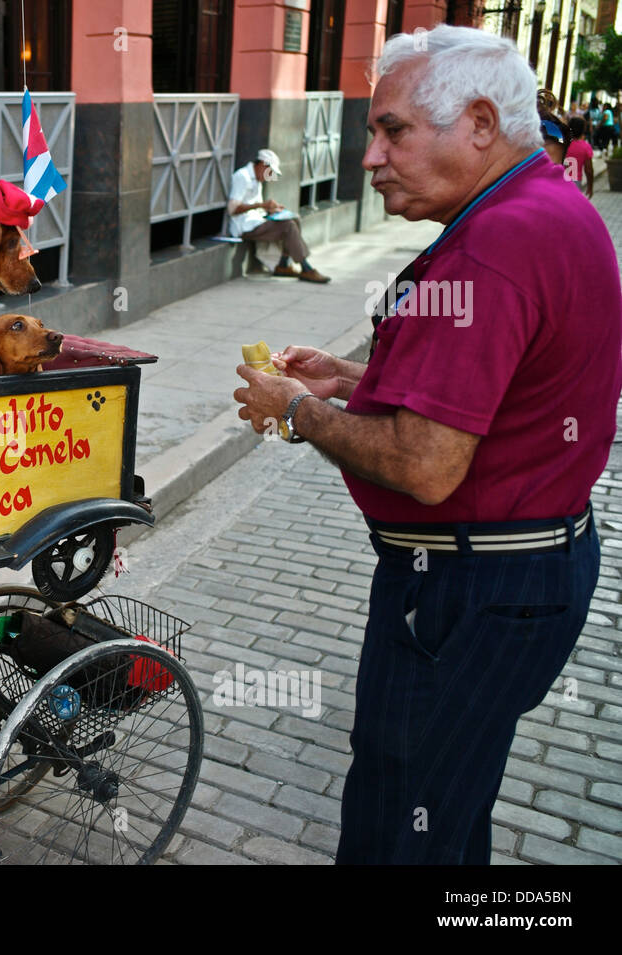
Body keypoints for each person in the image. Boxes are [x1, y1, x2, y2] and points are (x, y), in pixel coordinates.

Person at [233, 24, 622, 864]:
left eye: (393, 130)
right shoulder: (545, 205)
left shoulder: (500, 244)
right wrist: (346, 375)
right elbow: (489, 380)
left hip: (468, 588)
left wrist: (294, 412)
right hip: (518, 574)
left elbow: (427, 464)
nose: (371, 157)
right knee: (447, 807)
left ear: (479, 122)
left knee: (399, 822)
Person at [227, 149, 331, 283]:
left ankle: (282, 266)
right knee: (288, 226)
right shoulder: (242, 176)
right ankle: (306, 268)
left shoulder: (257, 179)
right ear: (262, 165)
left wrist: (271, 209)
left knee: (293, 219)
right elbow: (232, 209)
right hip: (244, 226)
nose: (269, 176)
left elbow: (257, 208)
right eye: (269, 171)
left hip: (256, 220)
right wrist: (262, 205)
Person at [566, 116, 595, 198]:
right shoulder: (585, 147)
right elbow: (589, 170)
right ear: (583, 130)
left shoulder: (561, 144)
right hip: (575, 182)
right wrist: (590, 186)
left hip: (559, 181)